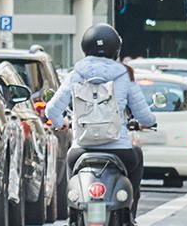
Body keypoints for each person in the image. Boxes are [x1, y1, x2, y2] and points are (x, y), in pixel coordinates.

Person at [45, 23, 157, 197]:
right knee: (137, 156)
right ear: (116, 49)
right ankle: (130, 204)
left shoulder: (75, 74)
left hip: (82, 149)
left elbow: (51, 110)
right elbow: (144, 116)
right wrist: (148, 122)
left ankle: (73, 207)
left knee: (72, 172)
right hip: (119, 150)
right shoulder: (125, 74)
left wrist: (62, 123)